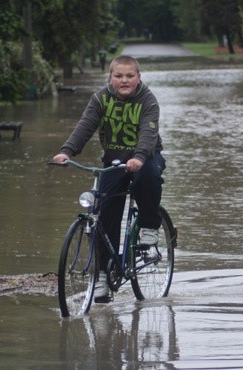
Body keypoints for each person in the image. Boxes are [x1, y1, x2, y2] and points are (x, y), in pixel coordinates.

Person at [52, 55, 165, 303]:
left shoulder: (148, 100)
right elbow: (85, 126)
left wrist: (139, 157)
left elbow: (148, 133)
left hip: (145, 157)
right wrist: (66, 151)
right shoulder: (100, 98)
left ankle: (148, 225)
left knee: (149, 177)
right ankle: (102, 276)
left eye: (129, 76)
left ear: (138, 77)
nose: (124, 80)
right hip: (113, 161)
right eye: (118, 76)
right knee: (105, 216)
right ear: (110, 78)